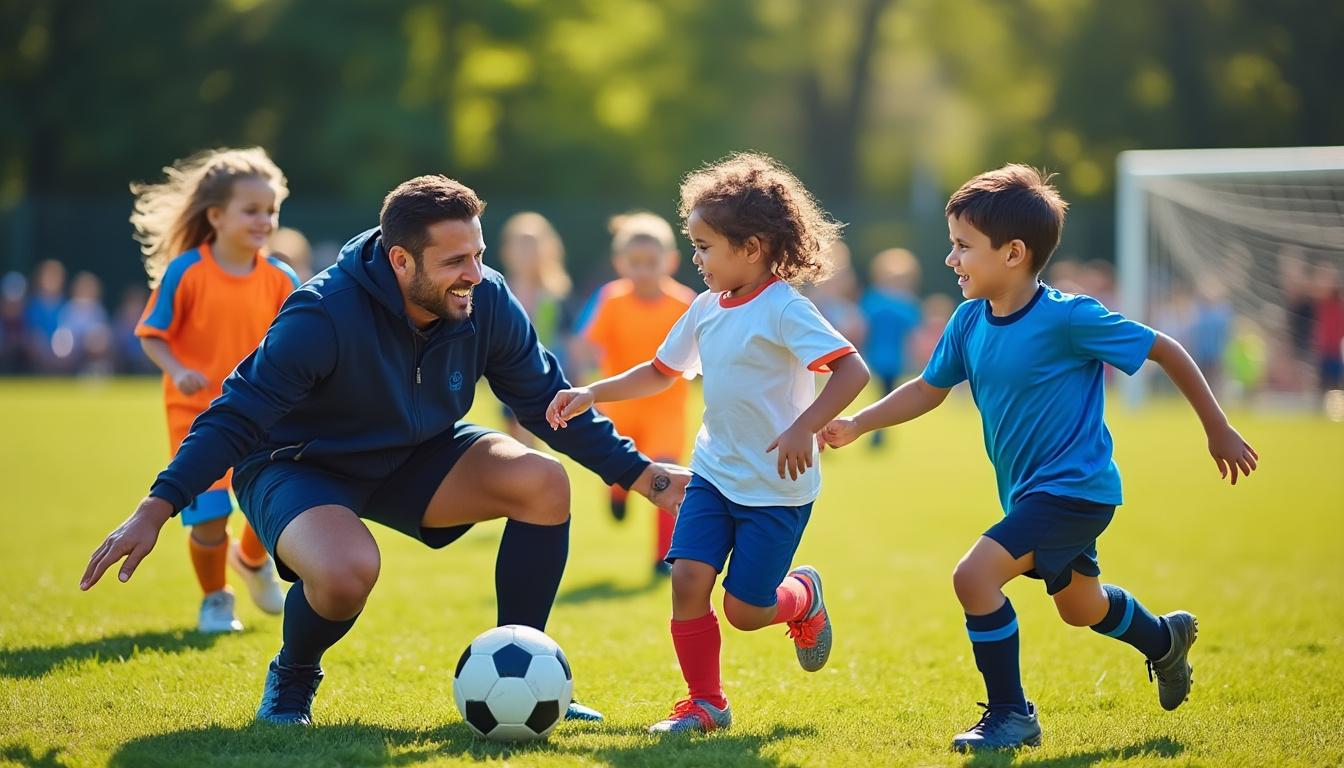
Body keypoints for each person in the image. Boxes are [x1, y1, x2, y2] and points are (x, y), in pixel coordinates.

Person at [81, 174, 689, 727]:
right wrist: (157, 506)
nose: (474, 273)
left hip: (417, 454)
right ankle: (293, 676)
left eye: (477, 254)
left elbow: (547, 402)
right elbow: (237, 415)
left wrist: (646, 479)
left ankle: (524, 672)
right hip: (299, 464)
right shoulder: (323, 314)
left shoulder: (486, 298)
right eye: (455, 261)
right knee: (347, 573)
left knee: (542, 481)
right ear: (400, 260)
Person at [820, 165, 1258, 752]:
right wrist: (859, 421)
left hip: (1076, 489)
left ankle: (1011, 715)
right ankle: (1163, 640)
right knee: (1081, 607)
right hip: (1031, 494)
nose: (951, 260)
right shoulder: (969, 319)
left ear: (1014, 253)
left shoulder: (1069, 317)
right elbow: (929, 387)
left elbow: (1166, 349)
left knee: (973, 577)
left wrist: (1218, 428)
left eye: (962, 246)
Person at [547, 153, 870, 734]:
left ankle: (801, 596)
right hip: (715, 473)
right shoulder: (703, 309)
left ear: (751, 248)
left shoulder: (785, 309)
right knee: (688, 579)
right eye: (693, 245)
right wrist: (593, 392)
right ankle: (706, 703)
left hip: (777, 488)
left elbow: (851, 371)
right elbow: (660, 370)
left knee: (746, 611)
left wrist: (803, 427)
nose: (695, 259)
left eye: (704, 246)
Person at [129, 147, 297, 632]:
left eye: (271, 211)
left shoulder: (281, 278)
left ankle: (251, 558)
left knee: (274, 499)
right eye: (252, 210)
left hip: (266, 414)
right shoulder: (187, 271)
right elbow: (152, 334)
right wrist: (179, 369)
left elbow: (297, 343)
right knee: (208, 514)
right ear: (217, 215)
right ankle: (216, 599)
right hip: (195, 413)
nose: (264, 220)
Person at [576, 212, 696, 574]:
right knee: (621, 468)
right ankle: (616, 491)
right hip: (622, 407)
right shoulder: (612, 300)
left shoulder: (685, 304)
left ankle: (663, 555)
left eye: (651, 262)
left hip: (667, 409)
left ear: (670, 261)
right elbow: (588, 344)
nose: (643, 270)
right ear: (620, 263)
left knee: (666, 475)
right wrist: (579, 379)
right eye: (635, 263)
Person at [497, 212, 574, 446]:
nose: (526, 253)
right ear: (507, 250)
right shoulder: (499, 291)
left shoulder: (555, 296)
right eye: (520, 246)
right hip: (508, 378)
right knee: (514, 445)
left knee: (529, 443)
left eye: (532, 246)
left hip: (543, 379)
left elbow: (569, 341)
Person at [858, 248, 923, 448]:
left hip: (894, 359)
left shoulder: (904, 302)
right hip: (877, 356)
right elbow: (863, 325)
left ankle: (878, 433)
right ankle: (876, 431)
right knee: (883, 395)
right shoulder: (878, 300)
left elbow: (913, 330)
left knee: (886, 395)